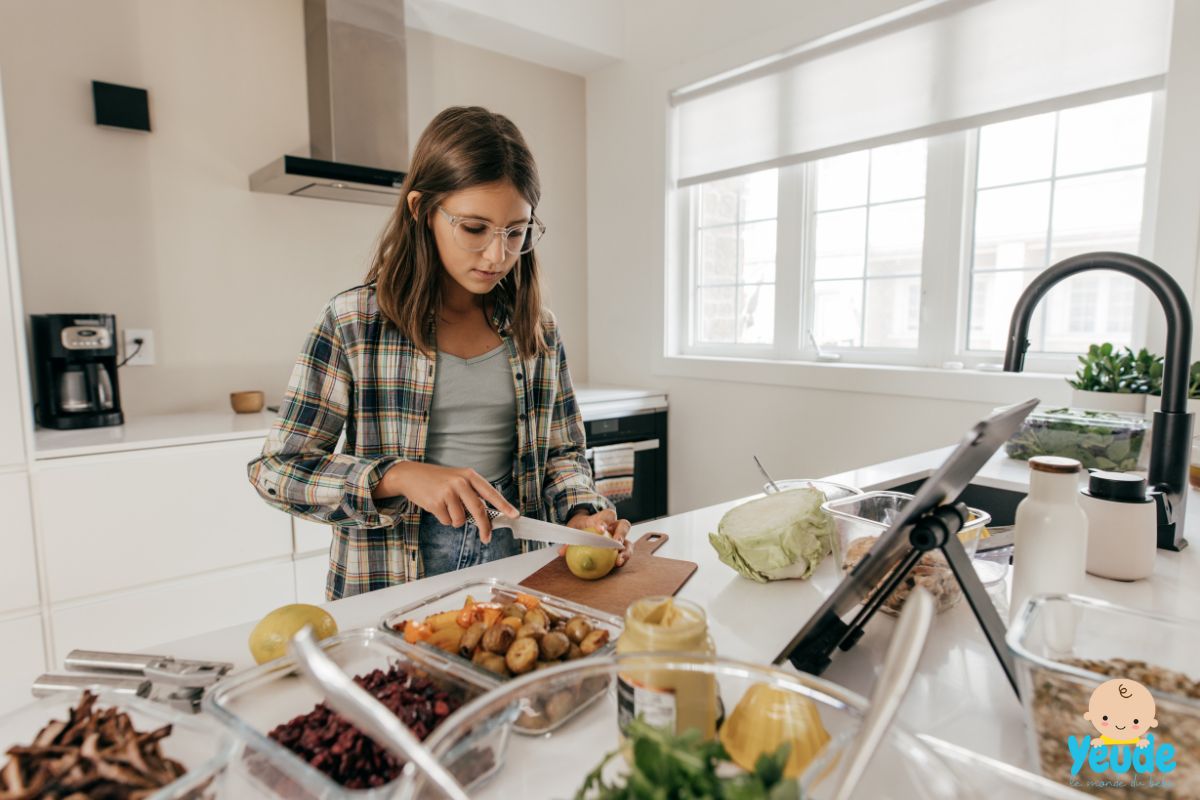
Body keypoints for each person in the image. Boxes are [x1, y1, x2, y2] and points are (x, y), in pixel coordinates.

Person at [248, 106, 631, 600]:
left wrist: (581, 514)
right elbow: (278, 470)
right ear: (421, 210)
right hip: (391, 575)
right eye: (474, 229)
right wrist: (397, 476)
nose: (498, 255)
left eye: (516, 232)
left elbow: (562, 454)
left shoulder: (536, 328)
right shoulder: (354, 323)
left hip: (518, 567)